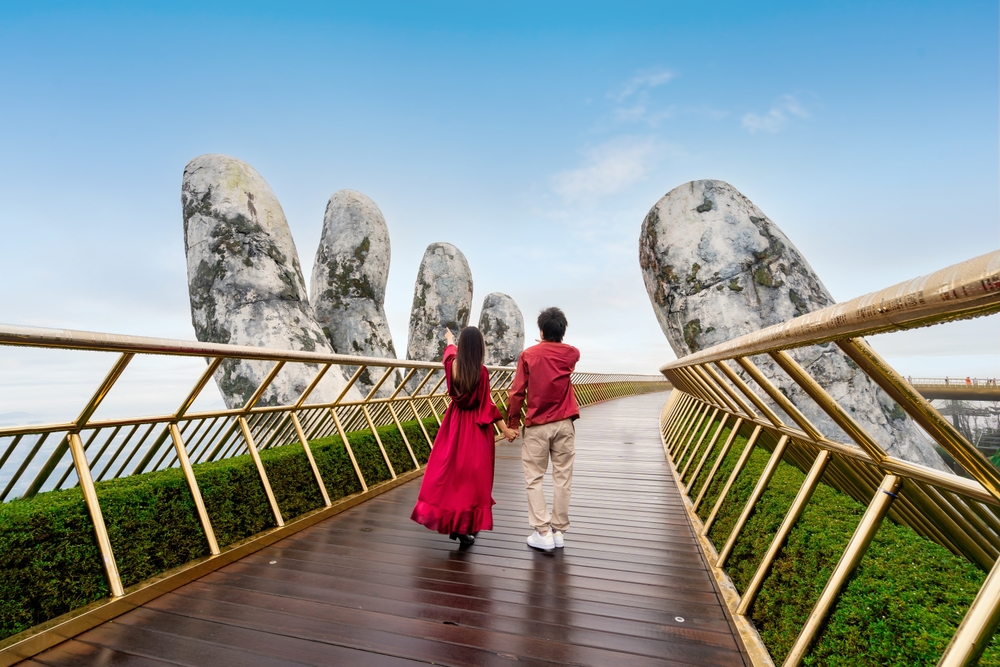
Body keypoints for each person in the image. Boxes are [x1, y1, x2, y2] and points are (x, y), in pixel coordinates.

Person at [411, 326, 518, 547]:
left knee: (451, 476)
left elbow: (449, 353)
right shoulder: (481, 372)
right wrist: (504, 429)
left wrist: (449, 340)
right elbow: (486, 405)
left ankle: (455, 524)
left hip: (454, 424)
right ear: (479, 347)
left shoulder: (452, 366)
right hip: (475, 429)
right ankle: (464, 525)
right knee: (473, 479)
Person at [507, 307, 580, 551]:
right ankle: (559, 532)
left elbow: (517, 392)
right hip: (564, 423)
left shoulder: (528, 355)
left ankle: (543, 532)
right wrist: (552, 341)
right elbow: (564, 353)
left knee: (534, 478)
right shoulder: (572, 354)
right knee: (563, 478)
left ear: (540, 330)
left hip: (537, 425)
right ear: (562, 330)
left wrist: (512, 424)